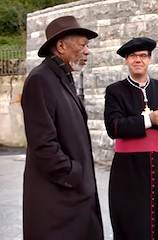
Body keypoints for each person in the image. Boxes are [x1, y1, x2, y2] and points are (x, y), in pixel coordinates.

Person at [21, 16, 104, 240]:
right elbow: (43, 145)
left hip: (72, 198)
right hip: (58, 203)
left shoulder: (62, 77)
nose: (87, 51)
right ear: (60, 46)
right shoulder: (41, 79)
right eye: (82, 44)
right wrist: (74, 173)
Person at [104, 37, 158, 240]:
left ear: (149, 59)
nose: (138, 60)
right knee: (133, 224)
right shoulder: (115, 90)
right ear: (126, 61)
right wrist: (150, 119)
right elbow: (114, 127)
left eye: (143, 56)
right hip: (129, 171)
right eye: (133, 56)